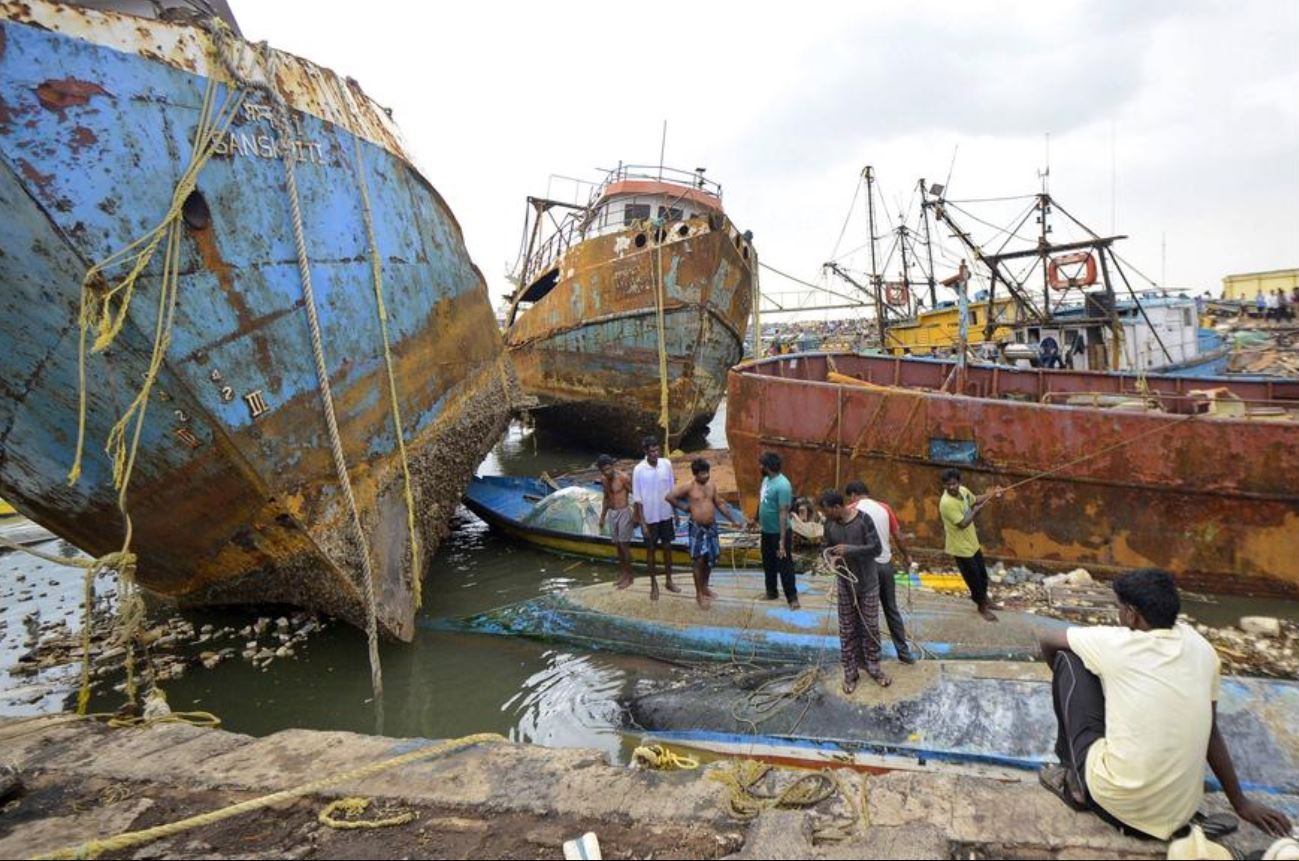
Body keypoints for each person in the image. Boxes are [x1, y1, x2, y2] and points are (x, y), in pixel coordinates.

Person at [1037, 569, 1292, 841]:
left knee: (1070, 662)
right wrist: (1240, 802)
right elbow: (1211, 732)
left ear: (1132, 614)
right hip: (1181, 812)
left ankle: (1075, 782)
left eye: (1119, 608)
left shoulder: (1114, 642)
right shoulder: (1202, 648)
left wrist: (1072, 695)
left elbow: (1046, 639)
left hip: (1118, 806)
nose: (1118, 615)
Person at [818, 489, 889, 693]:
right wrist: (829, 557)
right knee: (847, 629)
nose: (824, 516)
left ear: (837, 507)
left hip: (867, 583)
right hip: (845, 584)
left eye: (826, 511)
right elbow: (825, 547)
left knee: (870, 627)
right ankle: (850, 672)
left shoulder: (864, 520)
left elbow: (876, 548)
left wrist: (850, 550)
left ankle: (874, 667)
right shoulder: (829, 525)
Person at [845, 480, 915, 664]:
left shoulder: (851, 509)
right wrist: (906, 556)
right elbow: (898, 536)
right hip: (885, 565)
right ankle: (904, 653)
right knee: (891, 609)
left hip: (865, 568)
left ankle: (867, 657)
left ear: (853, 495)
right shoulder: (885, 508)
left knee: (865, 613)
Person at [666, 458, 743, 609]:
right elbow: (669, 496)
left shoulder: (711, 485)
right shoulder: (688, 486)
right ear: (695, 474)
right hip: (697, 527)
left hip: (711, 526)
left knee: (710, 558)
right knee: (698, 560)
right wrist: (685, 507)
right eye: (702, 473)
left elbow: (719, 503)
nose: (706, 476)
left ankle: (705, 587)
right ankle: (699, 594)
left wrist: (733, 520)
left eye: (707, 472)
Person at [937, 467, 1002, 622]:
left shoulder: (964, 491)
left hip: (972, 542)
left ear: (959, 482)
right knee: (974, 578)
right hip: (960, 547)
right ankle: (982, 606)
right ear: (944, 486)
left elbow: (975, 499)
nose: (951, 488)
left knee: (982, 575)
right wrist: (976, 512)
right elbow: (963, 523)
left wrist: (991, 494)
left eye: (954, 484)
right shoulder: (946, 503)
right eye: (948, 485)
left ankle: (985, 599)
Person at [631, 436, 679, 600]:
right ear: (645, 451)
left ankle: (669, 580)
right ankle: (653, 584)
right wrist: (642, 523)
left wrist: (676, 513)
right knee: (651, 550)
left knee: (667, 547)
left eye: (657, 450)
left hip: (666, 514)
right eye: (651, 451)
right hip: (650, 517)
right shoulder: (638, 470)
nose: (655, 454)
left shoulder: (666, 464)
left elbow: (672, 490)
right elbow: (637, 499)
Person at [756, 451, 798, 608]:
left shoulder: (783, 485)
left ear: (767, 467)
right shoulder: (766, 480)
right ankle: (771, 591)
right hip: (766, 531)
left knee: (784, 564)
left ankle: (792, 598)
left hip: (780, 533)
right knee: (768, 562)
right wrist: (755, 520)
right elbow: (762, 501)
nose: (759, 467)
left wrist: (782, 539)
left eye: (761, 464)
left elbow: (783, 513)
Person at [597, 454, 635, 589]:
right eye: (604, 471)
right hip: (612, 514)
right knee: (618, 546)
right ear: (601, 471)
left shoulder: (623, 478)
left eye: (609, 469)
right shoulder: (604, 480)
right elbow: (606, 497)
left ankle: (629, 577)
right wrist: (602, 516)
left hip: (624, 512)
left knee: (624, 546)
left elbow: (636, 495)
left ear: (612, 466)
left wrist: (637, 516)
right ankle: (623, 574)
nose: (608, 472)